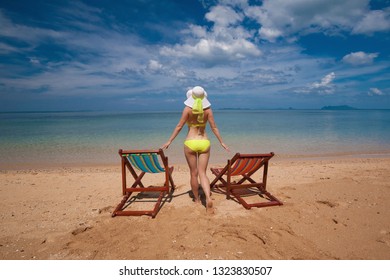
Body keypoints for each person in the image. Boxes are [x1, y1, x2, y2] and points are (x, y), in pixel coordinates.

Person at [161, 86, 229, 214]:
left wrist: (169, 141)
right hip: (204, 142)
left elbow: (179, 126)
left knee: (194, 173)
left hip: (190, 142)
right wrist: (222, 142)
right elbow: (214, 128)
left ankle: (197, 199)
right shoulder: (208, 110)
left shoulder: (187, 109)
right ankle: (208, 198)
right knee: (203, 173)